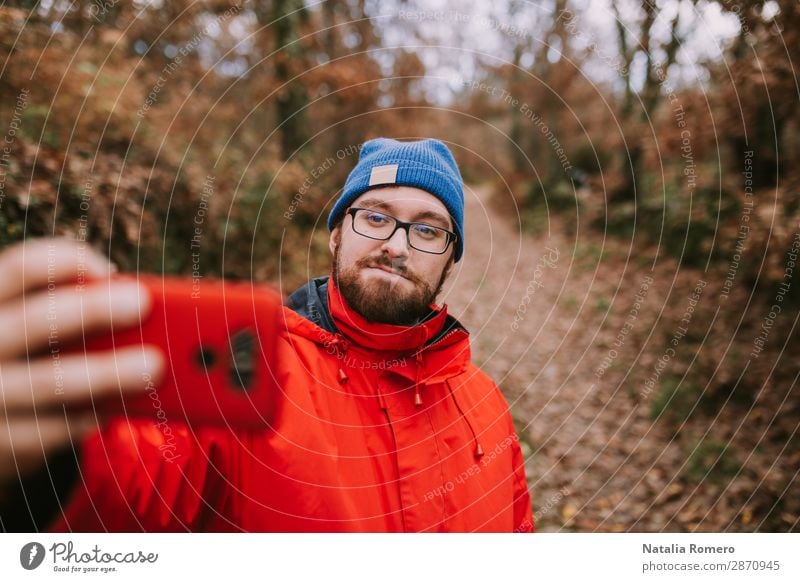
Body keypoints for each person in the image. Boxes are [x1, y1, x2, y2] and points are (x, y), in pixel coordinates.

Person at [0, 137, 534, 532]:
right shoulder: (251, 371)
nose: (396, 244)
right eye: (375, 216)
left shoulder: (486, 406)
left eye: (428, 230)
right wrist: (47, 463)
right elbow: (141, 485)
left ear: (450, 265)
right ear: (335, 235)